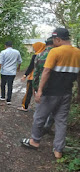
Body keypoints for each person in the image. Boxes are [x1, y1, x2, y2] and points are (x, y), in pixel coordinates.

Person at [20, 28, 80, 159]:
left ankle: (34, 141)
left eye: (54, 40)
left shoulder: (55, 52)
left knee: (39, 117)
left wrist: (39, 90)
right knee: (61, 121)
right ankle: (58, 150)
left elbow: (46, 72)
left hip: (50, 92)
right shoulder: (78, 53)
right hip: (66, 93)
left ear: (58, 39)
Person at [32, 37, 55, 134]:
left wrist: (35, 89)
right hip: (56, 88)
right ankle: (48, 127)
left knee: (39, 111)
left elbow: (36, 73)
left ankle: (36, 134)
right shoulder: (57, 54)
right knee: (54, 110)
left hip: (42, 87)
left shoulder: (40, 55)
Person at [18, 42, 46, 112]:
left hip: (33, 77)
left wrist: (25, 75)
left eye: (34, 47)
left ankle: (25, 106)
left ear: (38, 47)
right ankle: (42, 108)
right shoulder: (46, 56)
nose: (33, 48)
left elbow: (31, 67)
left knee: (29, 92)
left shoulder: (36, 56)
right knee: (41, 93)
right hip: (42, 78)